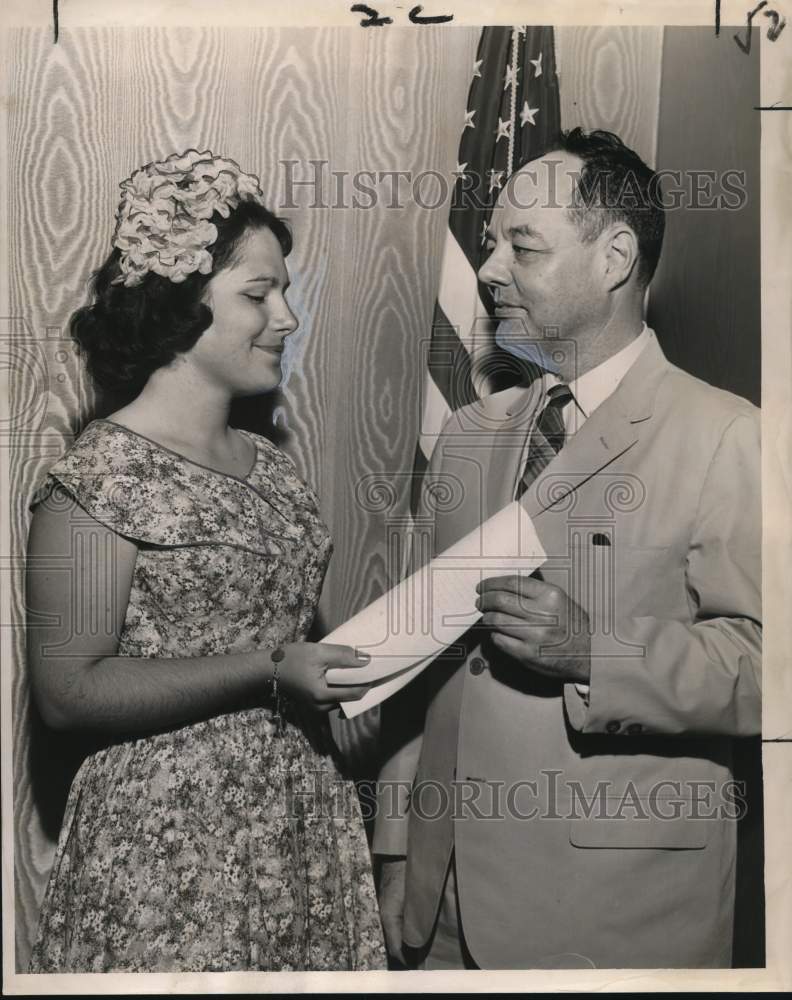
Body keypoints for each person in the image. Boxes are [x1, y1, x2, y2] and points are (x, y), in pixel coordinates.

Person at [374, 128, 761, 969]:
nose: (487, 270)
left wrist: (597, 651)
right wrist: (400, 853)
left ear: (614, 255)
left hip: (615, 926)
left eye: (522, 246)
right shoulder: (470, 438)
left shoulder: (732, 437)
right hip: (439, 914)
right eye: (489, 244)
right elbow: (423, 664)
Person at [25, 149, 387, 973]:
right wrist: (267, 668)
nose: (288, 317)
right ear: (180, 307)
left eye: (284, 292)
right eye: (259, 295)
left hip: (300, 816)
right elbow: (68, 690)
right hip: (169, 842)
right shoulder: (99, 476)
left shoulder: (273, 464)